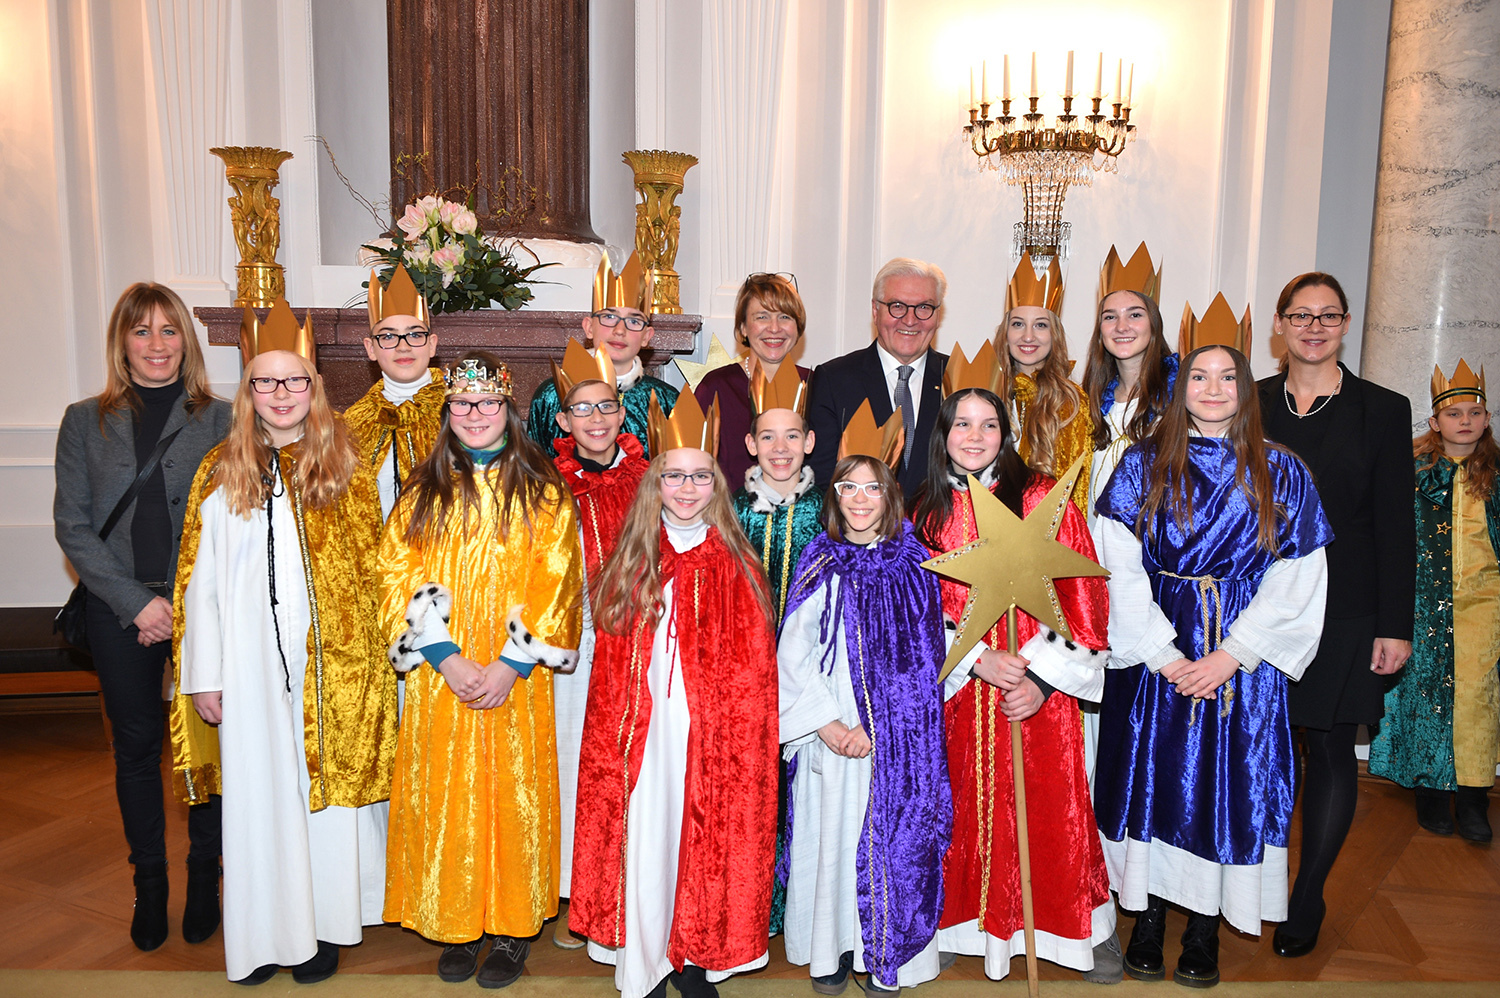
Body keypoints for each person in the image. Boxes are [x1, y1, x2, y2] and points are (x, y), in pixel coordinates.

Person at [1093, 341, 1333, 988]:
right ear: (1180, 388)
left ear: (1246, 390)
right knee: (1156, 782)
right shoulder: (1141, 466)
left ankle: (1203, 927)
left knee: (1223, 789)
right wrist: (1164, 656)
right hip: (1156, 655)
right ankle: (1146, 917)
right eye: (1200, 376)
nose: (1214, 387)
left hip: (1240, 667)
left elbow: (1298, 578)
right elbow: (1117, 565)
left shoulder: (1283, 472)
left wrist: (1232, 656)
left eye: (1229, 377)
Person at [171, 301, 397, 984]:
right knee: (259, 799)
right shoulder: (221, 468)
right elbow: (199, 584)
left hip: (328, 664)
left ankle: (322, 931)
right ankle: (263, 932)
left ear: (314, 388)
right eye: (265, 383)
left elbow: (373, 563)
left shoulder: (345, 465)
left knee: (318, 801)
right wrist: (204, 675)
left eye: (293, 381)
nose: (279, 394)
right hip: (247, 673)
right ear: (248, 391)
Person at [911, 346, 1117, 985]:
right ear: (943, 435)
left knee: (1049, 806)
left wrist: (1036, 675)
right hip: (963, 692)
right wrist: (976, 659)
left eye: (989, 424)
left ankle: (1072, 930)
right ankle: (959, 923)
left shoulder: (1044, 502)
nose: (975, 437)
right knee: (958, 805)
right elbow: (915, 613)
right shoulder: (923, 511)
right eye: (961, 424)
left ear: (1008, 433)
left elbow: (1086, 603)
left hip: (1037, 695)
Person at [380, 351, 583, 987]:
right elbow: (395, 574)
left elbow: (558, 579)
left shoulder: (543, 488)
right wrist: (444, 656)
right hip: (448, 677)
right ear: (448, 413)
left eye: (488, 403)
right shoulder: (423, 488)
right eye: (463, 405)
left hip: (512, 679)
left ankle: (510, 928)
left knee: (511, 793)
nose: (475, 414)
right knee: (450, 793)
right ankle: (456, 920)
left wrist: (509, 664)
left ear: (507, 410)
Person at [570, 391, 780, 998]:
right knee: (647, 836)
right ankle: (645, 958)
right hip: (641, 735)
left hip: (708, 737)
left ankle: (693, 956)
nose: (686, 489)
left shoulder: (737, 564)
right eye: (673, 477)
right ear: (653, 484)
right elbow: (611, 663)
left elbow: (752, 676)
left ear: (717, 485)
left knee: (701, 836)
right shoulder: (631, 558)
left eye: (699, 477)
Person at [52, 282, 231, 952]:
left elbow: (238, 523)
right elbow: (73, 526)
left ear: (186, 341)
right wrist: (136, 603)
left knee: (209, 752)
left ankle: (203, 875)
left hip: (203, 611)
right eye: (142, 331)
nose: (157, 345)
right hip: (119, 610)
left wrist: (183, 607)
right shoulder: (83, 420)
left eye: (169, 330)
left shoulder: (222, 417)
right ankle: (149, 881)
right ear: (121, 343)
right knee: (136, 749)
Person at [1256, 272, 1415, 958]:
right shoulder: (1248, 401)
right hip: (1254, 604)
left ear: (1345, 324)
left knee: (1327, 746)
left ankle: (1308, 892)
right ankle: (1237, 884)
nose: (1313, 327)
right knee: (1256, 746)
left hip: (1347, 607)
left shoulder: (1383, 408)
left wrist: (1396, 624)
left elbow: (1395, 523)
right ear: (1280, 325)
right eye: (1300, 314)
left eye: (1327, 316)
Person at [778, 431, 952, 994]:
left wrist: (878, 727)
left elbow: (929, 658)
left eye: (870, 488)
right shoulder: (819, 559)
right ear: (833, 495)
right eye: (847, 487)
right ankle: (832, 949)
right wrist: (826, 723)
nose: (858, 498)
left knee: (885, 840)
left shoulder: (916, 562)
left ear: (890, 495)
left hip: (889, 741)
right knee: (831, 836)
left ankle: (887, 953)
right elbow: (792, 655)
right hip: (828, 733)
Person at [549, 339, 651, 948]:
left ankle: (632, 888)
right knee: (573, 768)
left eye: (607, 407)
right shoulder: (544, 483)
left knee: (629, 765)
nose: (596, 420)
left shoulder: (650, 478)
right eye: (582, 410)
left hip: (636, 640)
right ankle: (574, 894)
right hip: (574, 645)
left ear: (622, 413)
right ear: (563, 421)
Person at [1370, 360, 1498, 842]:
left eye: (1475, 412)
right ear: (1434, 421)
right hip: (1422, 603)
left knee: (1476, 701)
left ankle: (1472, 798)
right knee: (1423, 693)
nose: (1465, 421)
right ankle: (1428, 790)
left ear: (1486, 419)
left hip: (1483, 607)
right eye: (1454, 413)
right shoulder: (1412, 470)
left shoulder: (1496, 474)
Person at [731, 358, 822, 937]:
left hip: (811, 674)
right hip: (748, 674)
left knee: (803, 789)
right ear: (750, 442)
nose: (781, 448)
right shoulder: (731, 511)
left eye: (793, 436)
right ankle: (754, 904)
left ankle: (806, 907)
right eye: (768, 436)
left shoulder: (832, 511)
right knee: (753, 788)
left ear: (810, 442)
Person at [807, 257, 950, 497]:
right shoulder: (833, 379)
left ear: (937, 315)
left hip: (938, 531)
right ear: (875, 310)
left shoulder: (959, 379)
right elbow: (821, 481)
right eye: (897, 306)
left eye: (924, 307)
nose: (910, 319)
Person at [529, 251, 678, 457]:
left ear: (646, 337)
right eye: (609, 317)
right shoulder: (552, 395)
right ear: (589, 327)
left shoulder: (665, 400)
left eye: (634, 321)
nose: (619, 330)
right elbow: (536, 469)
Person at [1081, 244, 1177, 528]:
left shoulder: (1181, 397)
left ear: (1154, 325)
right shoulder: (1088, 399)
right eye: (1110, 317)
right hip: (1093, 550)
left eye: (1135, 315)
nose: (1121, 327)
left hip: (1151, 551)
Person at [342, 263, 446, 520]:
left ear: (431, 345)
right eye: (388, 337)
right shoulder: (354, 421)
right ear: (370, 348)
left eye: (415, 335)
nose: (403, 347)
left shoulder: (461, 408)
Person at [996, 256, 1093, 514]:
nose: (1028, 336)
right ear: (1005, 334)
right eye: (1018, 324)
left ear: (1055, 335)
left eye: (1041, 325)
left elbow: (1077, 491)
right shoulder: (985, 392)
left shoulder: (1073, 403)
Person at [694, 273, 812, 484]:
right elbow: (696, 468)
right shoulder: (716, 387)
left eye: (785, 317)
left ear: (798, 327)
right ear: (743, 328)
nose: (774, 328)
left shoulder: (815, 385)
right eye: (762, 316)